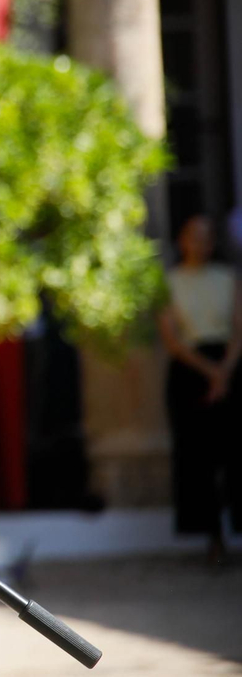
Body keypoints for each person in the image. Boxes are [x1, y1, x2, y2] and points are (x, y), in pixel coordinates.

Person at [157, 213, 242, 564]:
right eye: (194, 236)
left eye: (207, 237)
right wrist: (211, 373)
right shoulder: (170, 282)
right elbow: (173, 340)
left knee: (234, 452)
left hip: (230, 365)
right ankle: (211, 536)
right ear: (182, 241)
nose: (201, 244)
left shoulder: (227, 278)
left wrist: (225, 372)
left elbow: (238, 328)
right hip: (190, 370)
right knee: (197, 456)